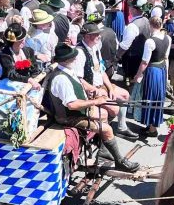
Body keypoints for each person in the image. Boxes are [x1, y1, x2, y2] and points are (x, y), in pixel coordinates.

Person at [44, 43, 138, 172]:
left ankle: (104, 148)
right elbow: (72, 105)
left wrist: (92, 89)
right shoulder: (61, 79)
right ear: (65, 60)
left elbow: (79, 81)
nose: (75, 58)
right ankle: (119, 161)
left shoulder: (67, 70)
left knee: (106, 113)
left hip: (77, 111)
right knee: (107, 129)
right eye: (73, 57)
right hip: (68, 117)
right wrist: (95, 102)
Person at [131, 14, 170, 137]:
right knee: (158, 98)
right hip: (161, 69)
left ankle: (151, 128)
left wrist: (137, 75)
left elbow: (144, 62)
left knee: (150, 97)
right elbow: (166, 57)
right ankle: (152, 126)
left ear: (150, 26)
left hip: (152, 71)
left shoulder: (150, 41)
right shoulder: (167, 38)